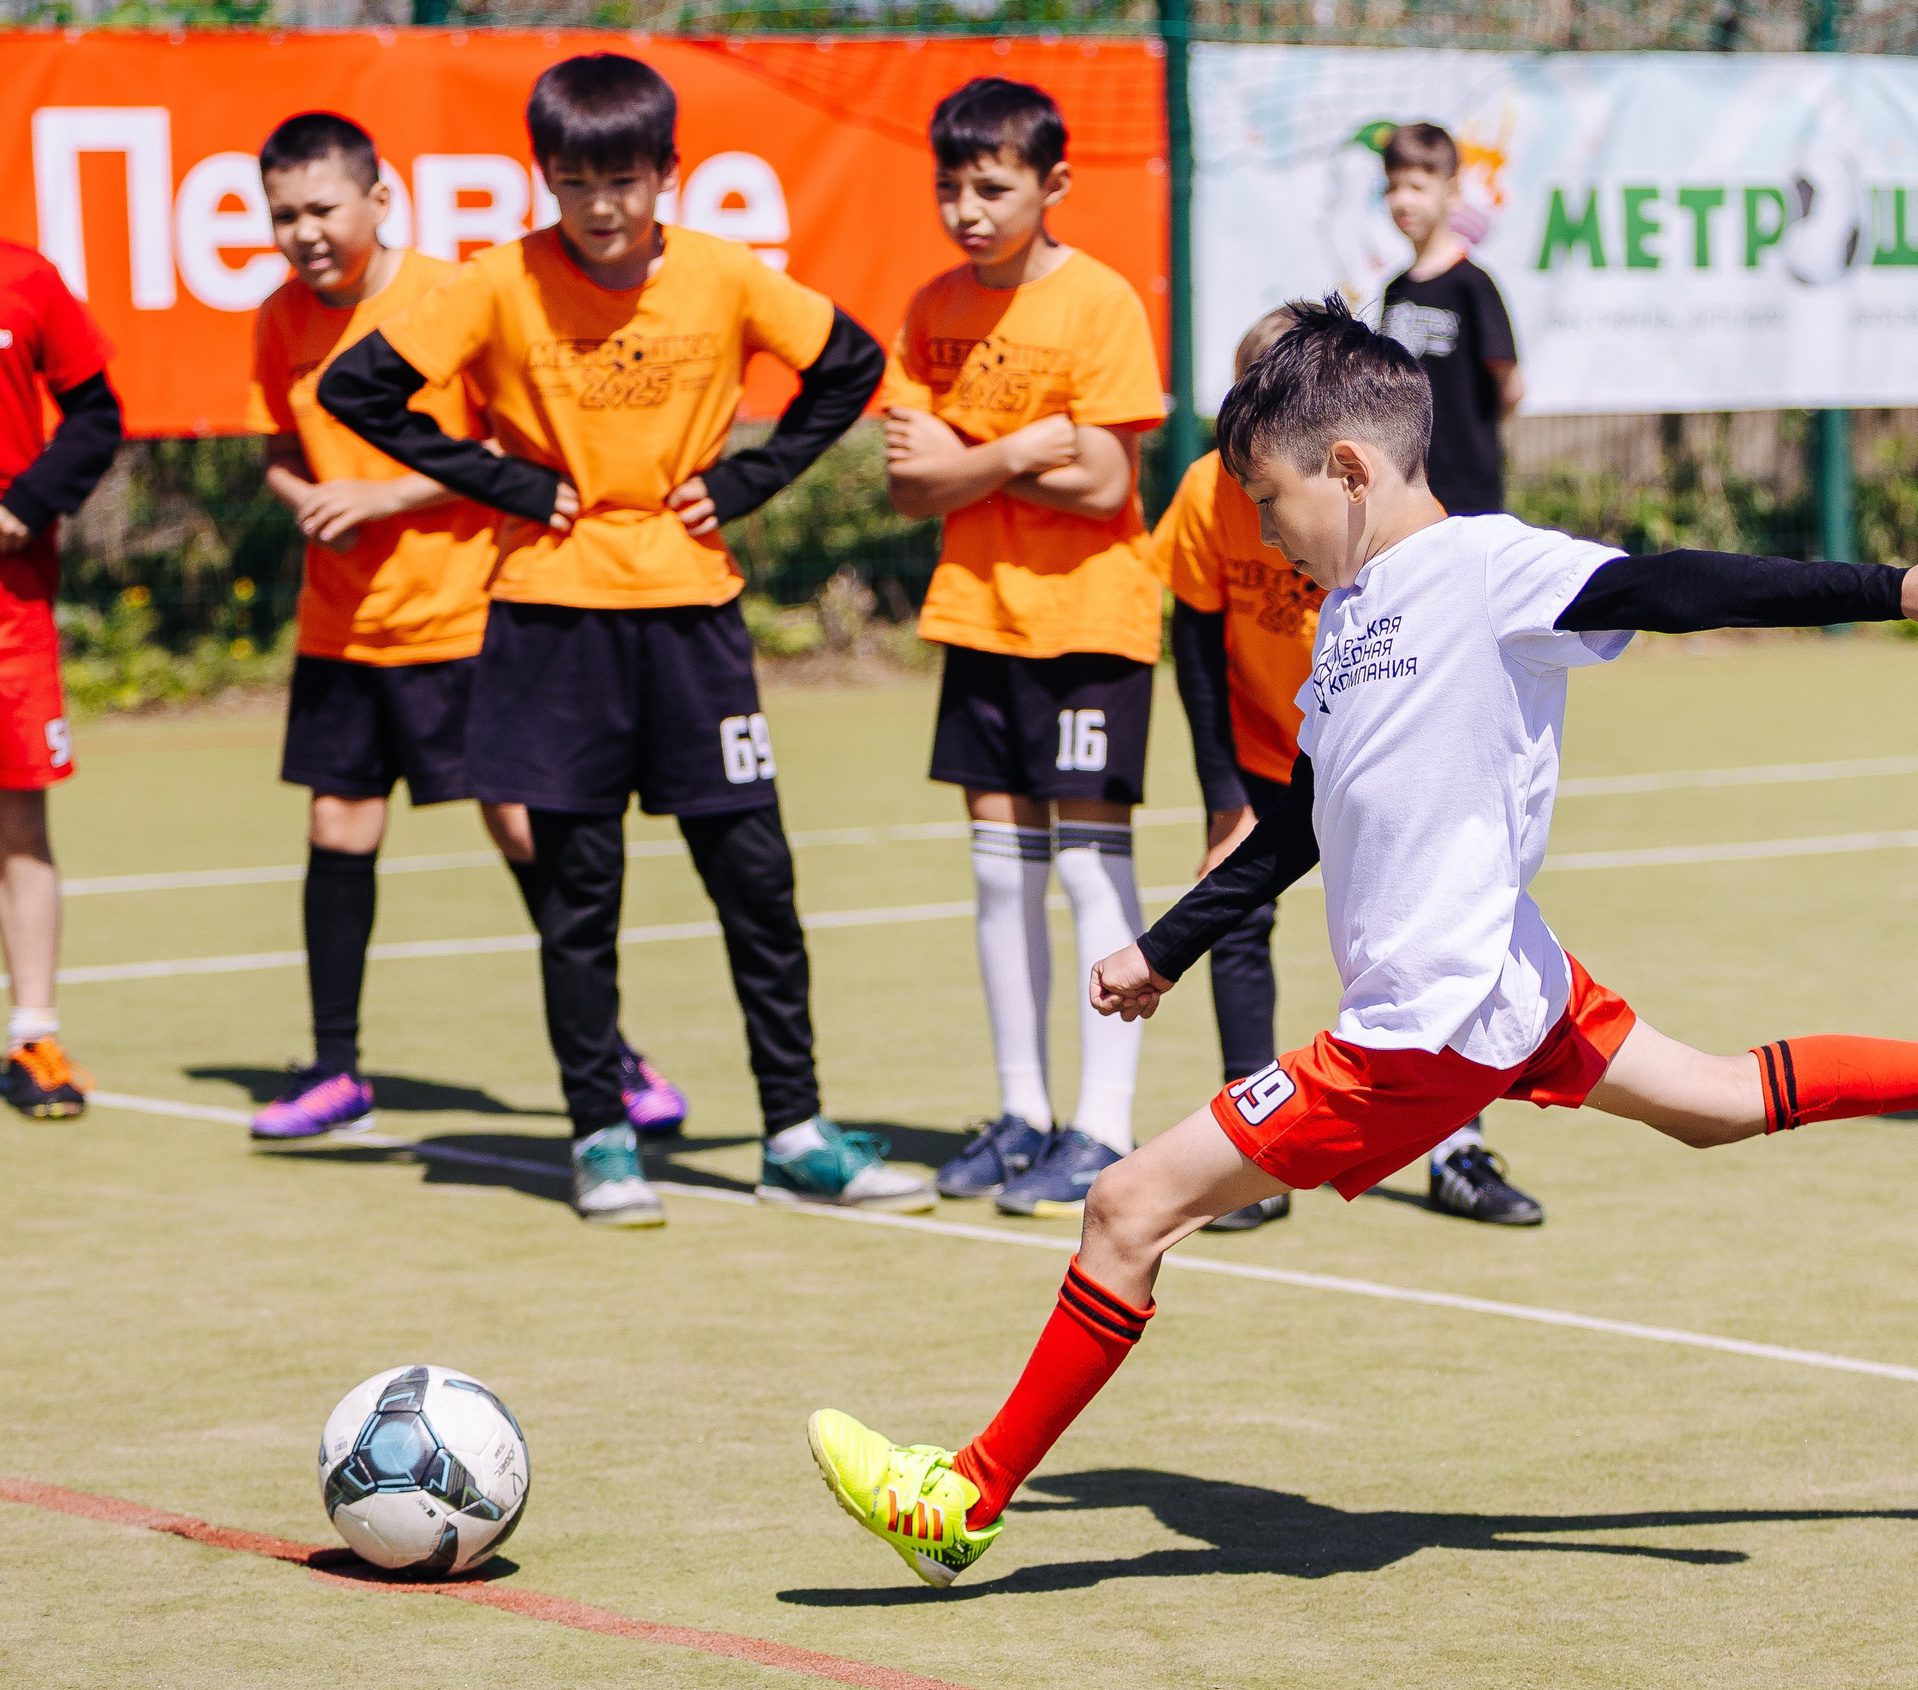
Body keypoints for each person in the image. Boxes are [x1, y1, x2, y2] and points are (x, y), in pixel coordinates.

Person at [804, 298, 1918, 1589]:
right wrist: (1168, 945)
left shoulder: (1489, 568)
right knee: (1720, 1100)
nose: (1268, 533)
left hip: (1423, 1022)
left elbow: (1668, 584)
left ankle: (966, 1498)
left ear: (1349, 466)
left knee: (1126, 1208)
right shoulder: (1349, 619)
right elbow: (1301, 822)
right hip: (1513, 983)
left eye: (1274, 499)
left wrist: (1886, 584)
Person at [318, 54, 908, 1226]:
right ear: (544, 177)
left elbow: (849, 364)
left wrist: (752, 477)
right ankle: (600, 1137)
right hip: (551, 623)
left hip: (693, 617)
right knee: (577, 898)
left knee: (757, 884)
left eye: (624, 179)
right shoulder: (498, 283)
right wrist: (499, 480)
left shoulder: (724, 274)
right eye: (574, 180)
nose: (600, 205)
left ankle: (794, 1130)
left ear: (666, 176)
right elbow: (360, 389)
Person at [246, 110, 686, 1142]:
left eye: (321, 208)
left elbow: (510, 453)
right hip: (342, 633)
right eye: (282, 215)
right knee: (335, 829)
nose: (304, 232)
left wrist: (381, 501)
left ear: (378, 197)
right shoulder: (275, 316)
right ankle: (336, 1068)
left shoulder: (452, 297)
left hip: (465, 620)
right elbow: (280, 443)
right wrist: (301, 496)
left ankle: (613, 1060)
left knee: (523, 829)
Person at [1157, 308, 1545, 1230]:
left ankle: (1457, 1147)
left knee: (1423, 937)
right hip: (1268, 749)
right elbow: (1195, 646)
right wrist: (1222, 799)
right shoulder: (1210, 494)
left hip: (1383, 752)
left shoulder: (1383, 504)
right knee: (1238, 917)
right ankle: (1250, 1155)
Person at [881, 78, 1168, 1219]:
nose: (967, 209)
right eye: (949, 187)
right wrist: (1027, 442)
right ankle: (1022, 1113)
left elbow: (1105, 481)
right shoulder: (930, 305)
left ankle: (1100, 1128)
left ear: (1051, 186)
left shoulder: (1099, 302)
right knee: (1001, 881)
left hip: (1091, 620)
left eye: (991, 187)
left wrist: (971, 447)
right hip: (976, 615)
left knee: (1093, 871)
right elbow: (909, 483)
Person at [0, 241, 122, 1119]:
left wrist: (26, 505)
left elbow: (94, 414)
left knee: (19, 821)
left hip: (9, 605)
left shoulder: (25, 276)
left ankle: (33, 1036)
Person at [1377, 122, 1520, 519]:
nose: (1402, 201)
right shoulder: (1394, 290)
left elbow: (1510, 387)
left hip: (1467, 492)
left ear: (1452, 193)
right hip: (1404, 489)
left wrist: (1466, 440)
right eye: (1392, 187)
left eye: (1417, 187)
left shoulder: (1473, 285)